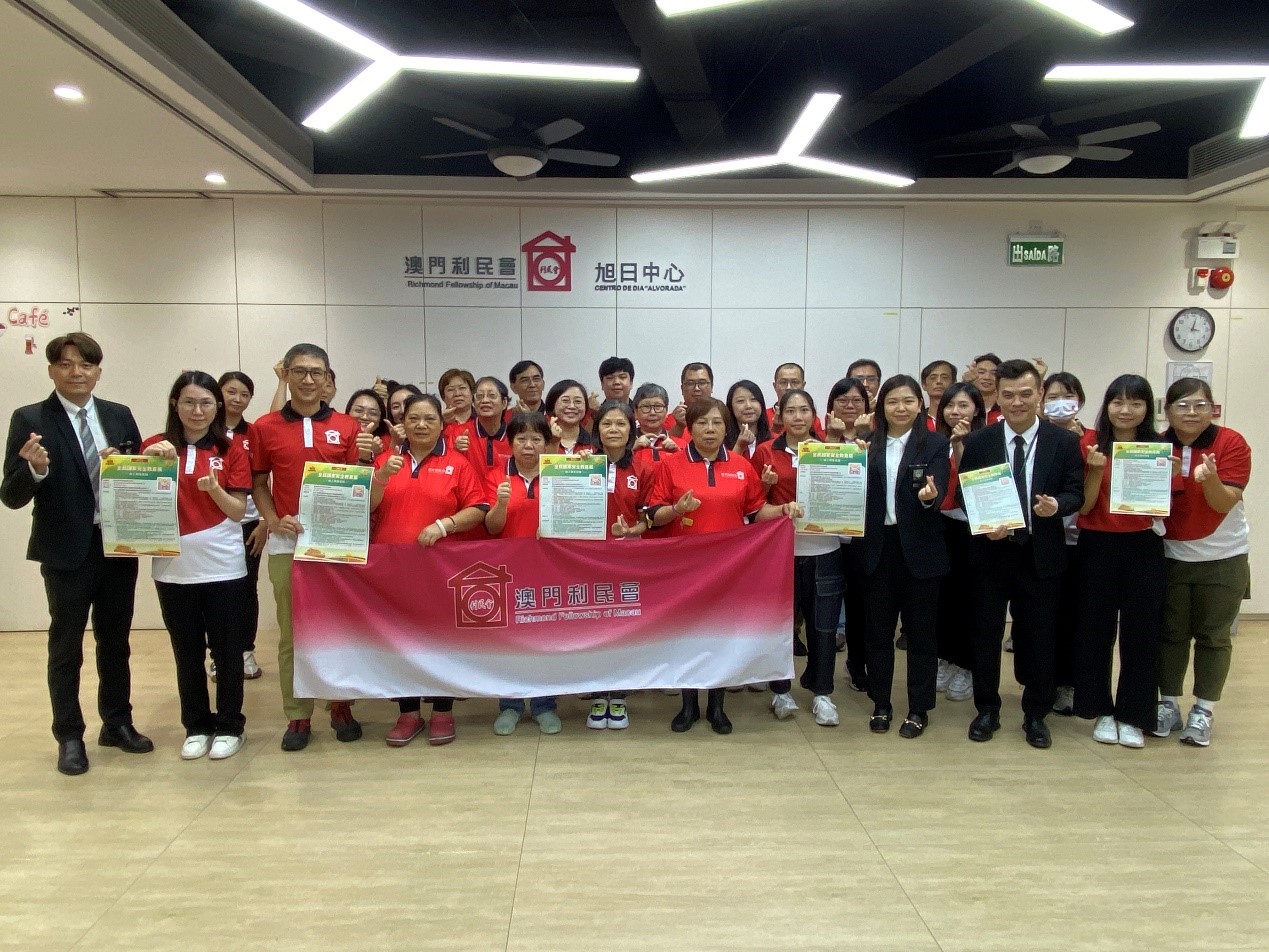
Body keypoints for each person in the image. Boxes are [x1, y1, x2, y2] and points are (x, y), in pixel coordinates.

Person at [2, 332, 152, 775]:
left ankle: (117, 723)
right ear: (52, 371)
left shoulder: (118, 415)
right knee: (66, 647)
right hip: (65, 551)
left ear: (98, 371)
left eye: (85, 365)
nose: (76, 373)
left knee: (116, 642)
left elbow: (141, 477)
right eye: (66, 364)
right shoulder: (30, 418)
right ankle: (69, 736)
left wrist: (126, 465)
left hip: (117, 547)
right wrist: (35, 469)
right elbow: (11, 495)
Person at [647, 397, 800, 734]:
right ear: (690, 428)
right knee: (686, 636)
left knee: (720, 637)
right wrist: (676, 510)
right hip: (685, 568)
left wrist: (783, 509)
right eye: (702, 422)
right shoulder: (670, 465)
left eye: (717, 422)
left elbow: (756, 511)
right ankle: (688, 706)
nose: (710, 429)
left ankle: (717, 707)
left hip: (729, 568)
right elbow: (654, 515)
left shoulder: (741, 465)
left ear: (726, 428)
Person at [957, 359, 1084, 749]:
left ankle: (1036, 714)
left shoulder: (1063, 442)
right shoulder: (979, 441)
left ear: (1040, 393)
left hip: (1040, 554)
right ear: (997, 395)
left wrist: (1057, 506)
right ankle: (987, 709)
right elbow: (965, 493)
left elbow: (1075, 492)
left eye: (1026, 394)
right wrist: (983, 522)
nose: (1017, 402)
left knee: (1039, 637)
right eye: (1008, 394)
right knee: (985, 635)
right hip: (991, 554)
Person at [251, 343, 370, 751]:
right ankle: (297, 714)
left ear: (327, 378)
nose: (307, 379)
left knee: (339, 629)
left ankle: (340, 705)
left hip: (336, 545)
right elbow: (258, 483)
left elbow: (356, 483)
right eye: (299, 371)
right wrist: (271, 520)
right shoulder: (264, 426)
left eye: (316, 372)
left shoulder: (347, 426)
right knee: (293, 633)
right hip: (288, 544)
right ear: (286, 374)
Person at [141, 372, 252, 761]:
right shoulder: (154, 446)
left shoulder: (231, 449)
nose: (198, 411)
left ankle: (230, 726)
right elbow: (138, 501)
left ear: (217, 407)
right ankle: (196, 725)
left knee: (227, 652)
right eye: (189, 402)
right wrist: (139, 466)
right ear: (175, 405)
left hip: (223, 566)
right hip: (172, 567)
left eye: (206, 403)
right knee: (186, 652)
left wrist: (214, 488)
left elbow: (237, 511)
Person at [371, 393, 488, 747]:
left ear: (441, 424)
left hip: (440, 570)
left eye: (429, 419)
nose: (421, 425)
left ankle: (442, 710)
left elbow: (479, 508)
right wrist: (380, 478)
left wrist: (444, 525)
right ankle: (408, 713)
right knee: (398, 641)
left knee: (441, 640)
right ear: (402, 424)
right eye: (414, 419)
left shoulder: (458, 463)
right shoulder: (384, 460)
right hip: (391, 569)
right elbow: (363, 509)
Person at [1155, 378, 1251, 748]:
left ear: (1213, 409)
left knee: (1213, 636)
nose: (1191, 412)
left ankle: (1203, 710)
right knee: (1171, 633)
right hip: (1170, 556)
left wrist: (1209, 479)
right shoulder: (1157, 446)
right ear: (1167, 411)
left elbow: (1224, 502)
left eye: (1200, 404)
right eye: (1182, 405)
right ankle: (1168, 704)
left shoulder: (1231, 443)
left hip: (1223, 556)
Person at [1075, 374, 1164, 749]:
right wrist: (1096, 469)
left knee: (1141, 632)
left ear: (1147, 409)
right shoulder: (1090, 444)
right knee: (1094, 629)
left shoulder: (1158, 448)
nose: (1125, 410)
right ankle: (1101, 711)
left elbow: (1165, 507)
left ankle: (1134, 715)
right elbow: (1084, 507)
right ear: (1107, 405)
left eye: (1135, 403)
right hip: (1097, 544)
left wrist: (1169, 477)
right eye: (1117, 402)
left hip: (1144, 545)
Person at [860, 375, 950, 738]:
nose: (900, 408)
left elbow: (939, 486)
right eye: (893, 401)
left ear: (920, 405)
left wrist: (930, 496)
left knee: (921, 635)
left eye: (908, 401)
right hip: (877, 548)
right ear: (882, 407)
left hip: (920, 550)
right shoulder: (866, 443)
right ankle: (881, 703)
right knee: (878, 633)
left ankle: (919, 709)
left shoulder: (936, 443)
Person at [752, 389, 844, 726]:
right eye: (790, 410)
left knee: (824, 627)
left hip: (824, 550)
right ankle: (780, 691)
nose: (798, 417)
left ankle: (822, 693)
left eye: (804, 410)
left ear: (814, 415)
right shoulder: (765, 452)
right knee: (780, 625)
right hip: (781, 553)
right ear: (779, 416)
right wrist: (765, 486)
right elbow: (753, 505)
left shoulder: (831, 450)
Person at [484, 412, 562, 735]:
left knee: (546, 641)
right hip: (509, 571)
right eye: (521, 439)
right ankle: (510, 705)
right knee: (510, 642)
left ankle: (545, 705)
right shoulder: (496, 476)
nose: (528, 445)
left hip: (550, 571)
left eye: (536, 439)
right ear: (511, 443)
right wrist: (501, 504)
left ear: (547, 443)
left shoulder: (559, 473)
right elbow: (492, 528)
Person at [587, 399, 657, 730]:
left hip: (627, 558)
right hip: (586, 558)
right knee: (593, 627)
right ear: (597, 429)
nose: (613, 429)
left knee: (623, 628)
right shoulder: (581, 463)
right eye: (607, 423)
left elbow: (647, 519)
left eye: (621, 424)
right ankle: (597, 693)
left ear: (631, 430)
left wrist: (631, 530)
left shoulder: (643, 469)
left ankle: (619, 696)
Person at [934, 381, 986, 704]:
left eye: (963, 405)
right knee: (944, 598)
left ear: (977, 409)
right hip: (941, 526)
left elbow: (973, 482)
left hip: (974, 529)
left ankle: (966, 666)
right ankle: (945, 658)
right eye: (950, 406)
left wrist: (960, 446)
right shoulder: (934, 441)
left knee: (970, 600)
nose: (955, 412)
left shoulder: (987, 440)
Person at [1040, 371, 1088, 710]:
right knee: (1046, 618)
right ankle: (1045, 682)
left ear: (1080, 400)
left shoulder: (1095, 439)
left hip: (1084, 540)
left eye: (1067, 396)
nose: (1060, 403)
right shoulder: (1036, 437)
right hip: (1046, 538)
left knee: (1076, 617)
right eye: (1053, 397)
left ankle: (1070, 684)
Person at [824, 376, 873, 691]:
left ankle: (857, 664)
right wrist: (832, 437)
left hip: (863, 539)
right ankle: (821, 675)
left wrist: (866, 439)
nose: (850, 406)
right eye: (843, 401)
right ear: (832, 407)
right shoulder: (820, 441)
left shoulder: (878, 439)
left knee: (860, 607)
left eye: (857, 400)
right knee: (825, 610)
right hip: (826, 538)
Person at [219, 370, 266, 681]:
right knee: (216, 591)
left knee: (247, 587)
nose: (237, 399)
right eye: (231, 392)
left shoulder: (254, 434)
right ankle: (218, 654)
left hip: (248, 521)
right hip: (210, 524)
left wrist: (264, 521)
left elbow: (264, 479)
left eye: (244, 394)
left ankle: (245, 649)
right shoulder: (204, 430)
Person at [765, 363, 826, 438]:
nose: (789, 387)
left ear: (803, 385)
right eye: (783, 383)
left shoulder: (810, 418)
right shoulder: (764, 416)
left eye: (795, 382)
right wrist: (775, 430)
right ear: (775, 386)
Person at [724, 379, 772, 461]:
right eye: (740, 401)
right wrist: (739, 447)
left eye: (753, 399)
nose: (748, 406)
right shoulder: (721, 442)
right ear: (730, 406)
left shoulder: (774, 441)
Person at [543, 379, 595, 453]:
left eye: (578, 401)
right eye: (565, 401)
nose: (572, 406)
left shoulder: (595, 444)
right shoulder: (540, 440)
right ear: (552, 405)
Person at [632, 383, 679, 462]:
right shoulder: (624, 443)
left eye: (658, 406)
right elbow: (609, 466)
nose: (652, 413)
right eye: (646, 407)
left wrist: (678, 454)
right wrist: (631, 450)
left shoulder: (680, 445)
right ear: (636, 412)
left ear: (666, 411)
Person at [668, 362, 713, 437]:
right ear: (682, 389)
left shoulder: (722, 416)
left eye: (702, 383)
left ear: (712, 387)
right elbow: (664, 443)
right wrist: (679, 426)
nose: (696, 388)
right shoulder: (671, 420)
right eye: (690, 383)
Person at [345, 389, 390, 463]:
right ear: (348, 412)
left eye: (373, 413)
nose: (364, 417)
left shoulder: (386, 443)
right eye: (359, 411)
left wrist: (374, 454)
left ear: (380, 419)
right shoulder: (337, 436)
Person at [920, 360, 957, 431]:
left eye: (944, 377)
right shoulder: (916, 421)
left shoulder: (960, 418)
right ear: (924, 385)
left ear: (953, 383)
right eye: (933, 378)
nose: (939, 381)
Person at [968, 353, 1003, 424]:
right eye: (981, 372)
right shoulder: (965, 407)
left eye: (993, 373)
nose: (987, 377)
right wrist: (966, 382)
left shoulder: (1005, 407)